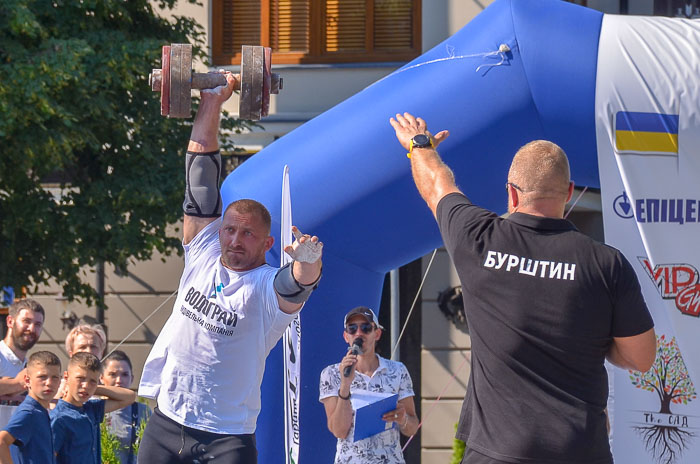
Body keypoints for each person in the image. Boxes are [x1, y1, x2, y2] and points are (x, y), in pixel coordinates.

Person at [389, 113, 656, 464]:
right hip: (579, 452)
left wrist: (419, 146)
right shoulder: (606, 264)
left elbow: (436, 185)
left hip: (496, 454)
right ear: (569, 192)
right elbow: (641, 357)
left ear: (512, 194)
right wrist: (593, 338)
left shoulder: (478, 238)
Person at [137, 72, 323, 464]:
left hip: (227, 438)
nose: (235, 241)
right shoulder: (204, 251)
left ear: (268, 244)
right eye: (230, 231)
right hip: (168, 420)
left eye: (248, 235)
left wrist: (308, 262)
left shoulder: (263, 287)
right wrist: (211, 101)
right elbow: (200, 181)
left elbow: (296, 286)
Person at [319, 306, 418, 464]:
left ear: (376, 333)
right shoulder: (331, 374)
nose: (359, 333)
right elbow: (339, 431)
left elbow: (412, 427)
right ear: (346, 336)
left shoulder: (398, 370)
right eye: (352, 329)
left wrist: (403, 418)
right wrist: (345, 385)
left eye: (365, 328)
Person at [50, 352, 136, 464]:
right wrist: (89, 385)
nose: (85, 385)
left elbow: (129, 397)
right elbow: (48, 457)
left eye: (92, 381)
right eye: (80, 378)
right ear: (66, 377)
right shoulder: (59, 418)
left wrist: (93, 388)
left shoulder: (91, 408)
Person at [0, 299, 45, 461]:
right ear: (10, 321)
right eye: (26, 321)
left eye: (38, 324)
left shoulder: (33, 367)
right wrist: (17, 384)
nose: (31, 328)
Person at [0, 351, 61, 464]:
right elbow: (1, 441)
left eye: (55, 377)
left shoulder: (42, 412)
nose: (49, 383)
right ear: (27, 380)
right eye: (42, 377)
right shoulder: (28, 412)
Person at [101, 350, 151, 464]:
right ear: (102, 378)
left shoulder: (143, 411)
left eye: (124, 375)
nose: (119, 380)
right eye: (112, 374)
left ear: (132, 378)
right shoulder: (93, 409)